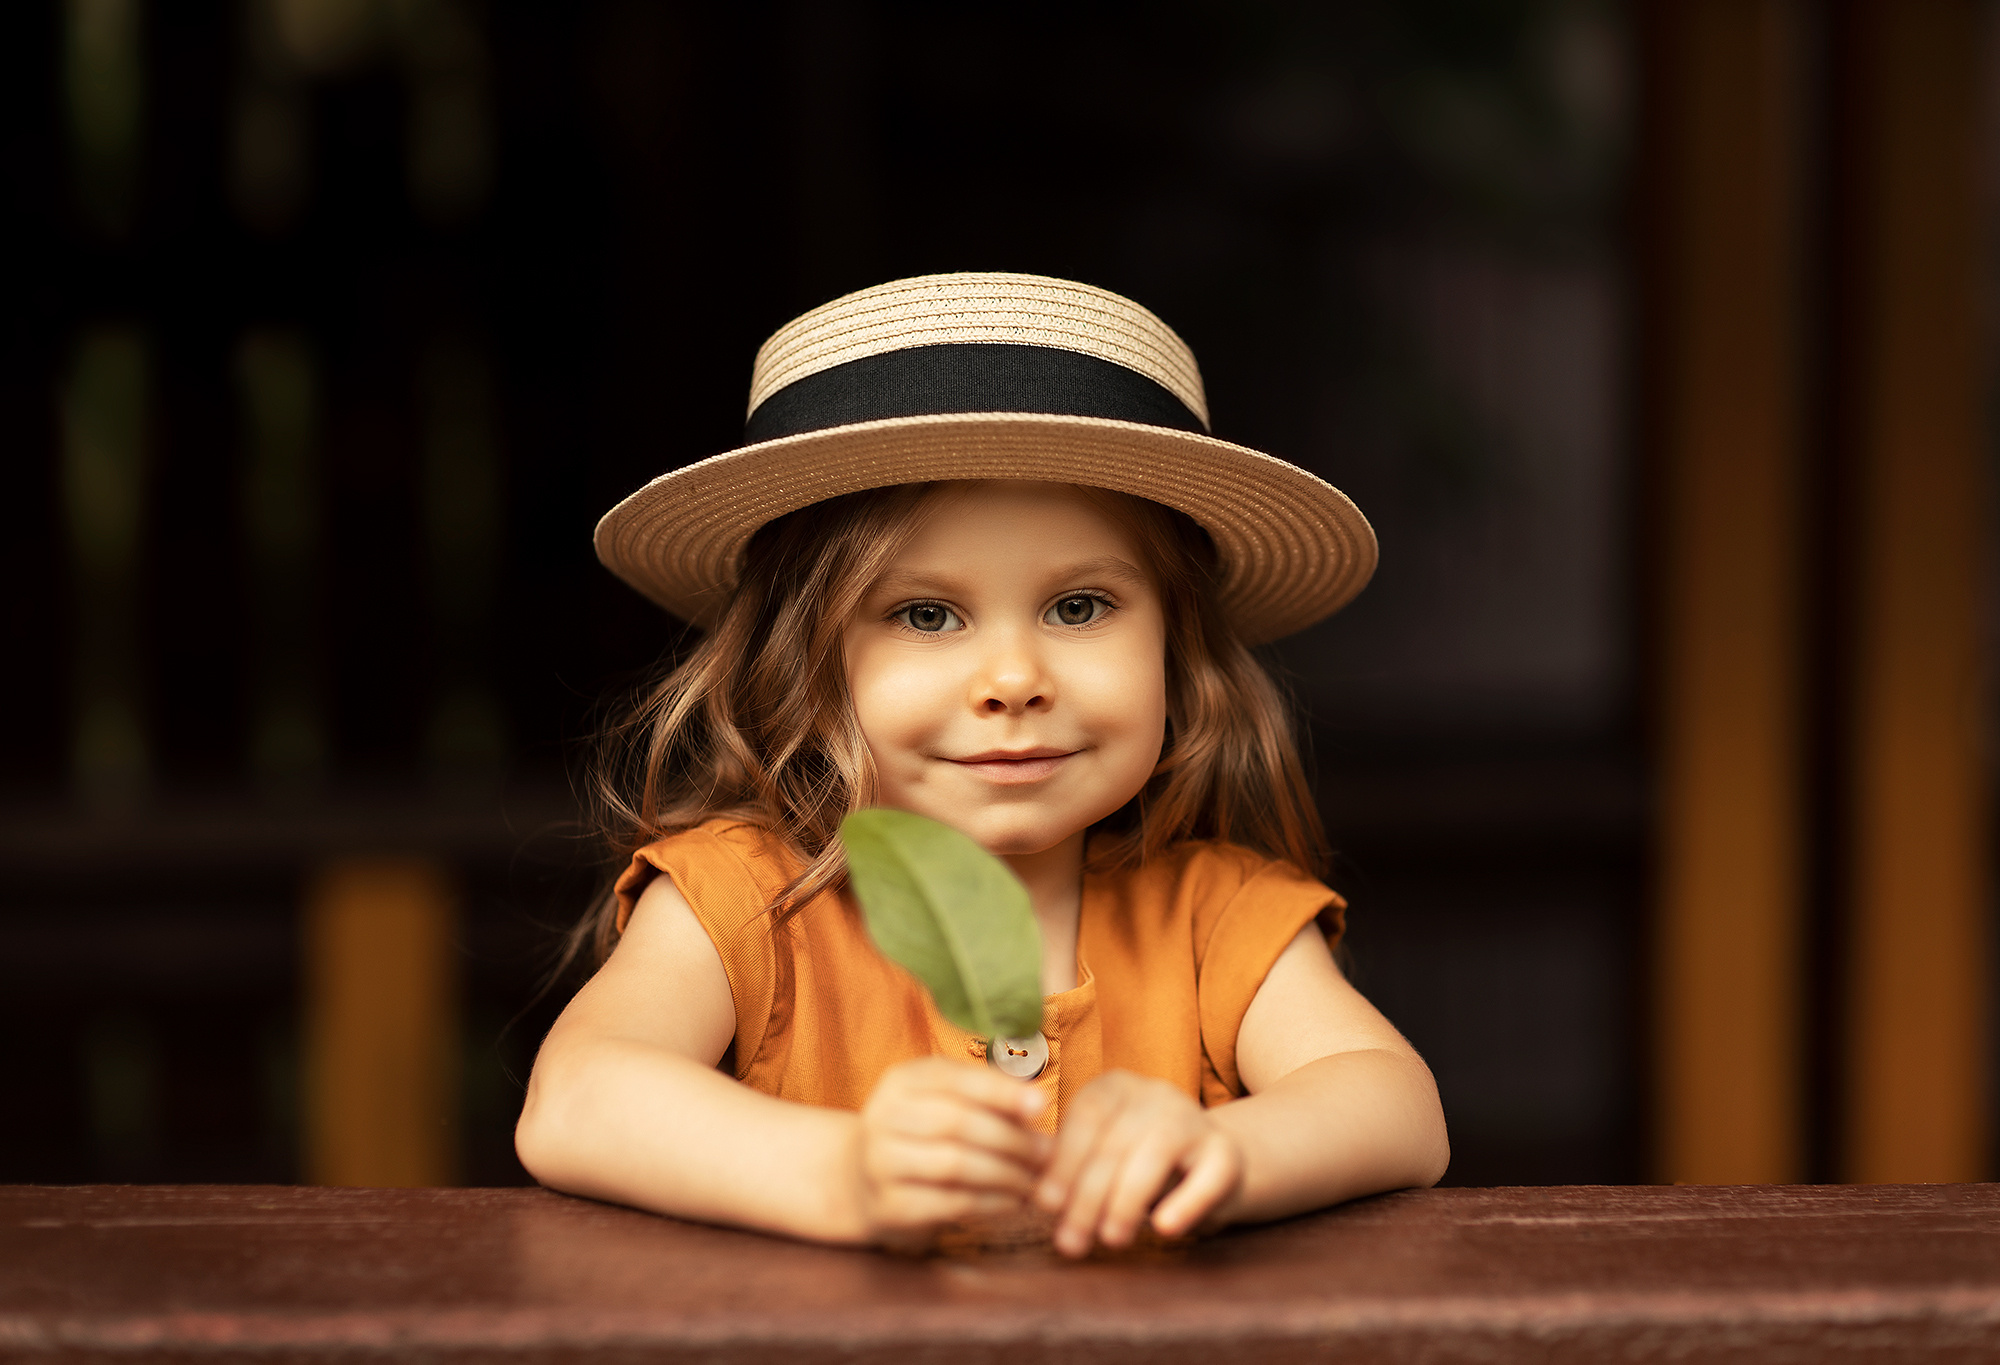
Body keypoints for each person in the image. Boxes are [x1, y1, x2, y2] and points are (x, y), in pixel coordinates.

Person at [516, 272, 1448, 1255]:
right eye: (926, 614)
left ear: (1176, 649)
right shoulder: (742, 898)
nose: (1012, 679)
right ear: (803, 662)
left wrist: (1225, 1152)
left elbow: (1393, 1105)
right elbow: (575, 1097)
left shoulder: (1216, 918)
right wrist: (840, 1173)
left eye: (1078, 606)